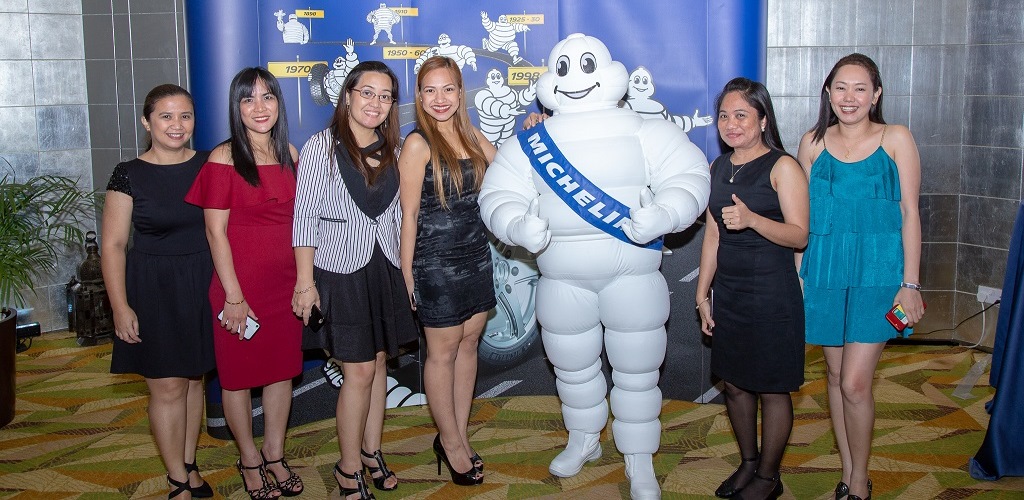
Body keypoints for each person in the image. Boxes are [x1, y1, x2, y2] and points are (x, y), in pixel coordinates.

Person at [480, 34, 710, 500]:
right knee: (572, 368)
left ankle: (638, 456)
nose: (576, 79)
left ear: (610, 72)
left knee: (638, 370)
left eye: (586, 66)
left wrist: (666, 213)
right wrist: (516, 225)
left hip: (632, 276)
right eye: (563, 69)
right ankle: (583, 438)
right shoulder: (531, 144)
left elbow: (689, 175)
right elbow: (497, 194)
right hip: (562, 280)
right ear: (548, 80)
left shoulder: (645, 129)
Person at [797, 53, 924, 500]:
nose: (849, 98)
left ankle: (861, 479)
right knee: (833, 379)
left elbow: (910, 213)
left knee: (854, 382)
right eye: (840, 88)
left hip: (880, 275)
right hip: (825, 273)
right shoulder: (811, 143)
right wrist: (799, 281)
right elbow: (803, 222)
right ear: (828, 93)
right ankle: (850, 471)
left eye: (859, 89)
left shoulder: (896, 138)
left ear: (876, 94)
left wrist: (910, 284)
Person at [292, 61, 418, 500]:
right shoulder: (320, 147)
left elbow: (404, 216)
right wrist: (304, 282)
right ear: (347, 96)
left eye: (385, 96)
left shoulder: (397, 150)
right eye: (367, 93)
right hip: (340, 270)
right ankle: (347, 469)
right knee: (359, 371)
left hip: (383, 267)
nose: (376, 103)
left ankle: (371, 451)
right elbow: (304, 216)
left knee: (379, 365)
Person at [185, 67, 303, 500]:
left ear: (279, 104)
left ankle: (275, 452)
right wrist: (234, 296)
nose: (259, 107)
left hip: (285, 287)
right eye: (248, 99)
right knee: (236, 379)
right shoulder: (222, 158)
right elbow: (215, 232)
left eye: (268, 97)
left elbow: (301, 225)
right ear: (236, 108)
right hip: (239, 289)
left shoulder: (290, 152)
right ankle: (249, 458)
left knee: (280, 375)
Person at [695, 78, 808, 500]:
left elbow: (799, 236)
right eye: (724, 115)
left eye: (741, 115)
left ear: (762, 119)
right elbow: (712, 236)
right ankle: (747, 464)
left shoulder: (783, 166)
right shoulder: (718, 168)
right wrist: (702, 293)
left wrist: (755, 220)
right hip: (732, 293)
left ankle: (768, 476)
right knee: (736, 383)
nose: (731, 124)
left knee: (772, 387)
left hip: (772, 295)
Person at [102, 84, 215, 499]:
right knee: (166, 386)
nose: (177, 125)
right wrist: (120, 307)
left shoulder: (210, 164)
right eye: (166, 116)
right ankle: (176, 482)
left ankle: (188, 463)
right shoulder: (129, 173)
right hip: (154, 288)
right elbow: (113, 246)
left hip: (204, 282)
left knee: (193, 382)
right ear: (147, 121)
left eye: (185, 116)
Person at [398, 55, 496, 486]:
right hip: (434, 262)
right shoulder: (417, 144)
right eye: (430, 90)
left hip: (476, 255)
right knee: (443, 350)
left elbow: (511, 171)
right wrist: (407, 273)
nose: (440, 99)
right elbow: (409, 214)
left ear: (460, 92)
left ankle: (456, 431)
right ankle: (451, 442)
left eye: (448, 89)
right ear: (419, 96)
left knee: (470, 344)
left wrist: (536, 129)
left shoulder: (473, 135)